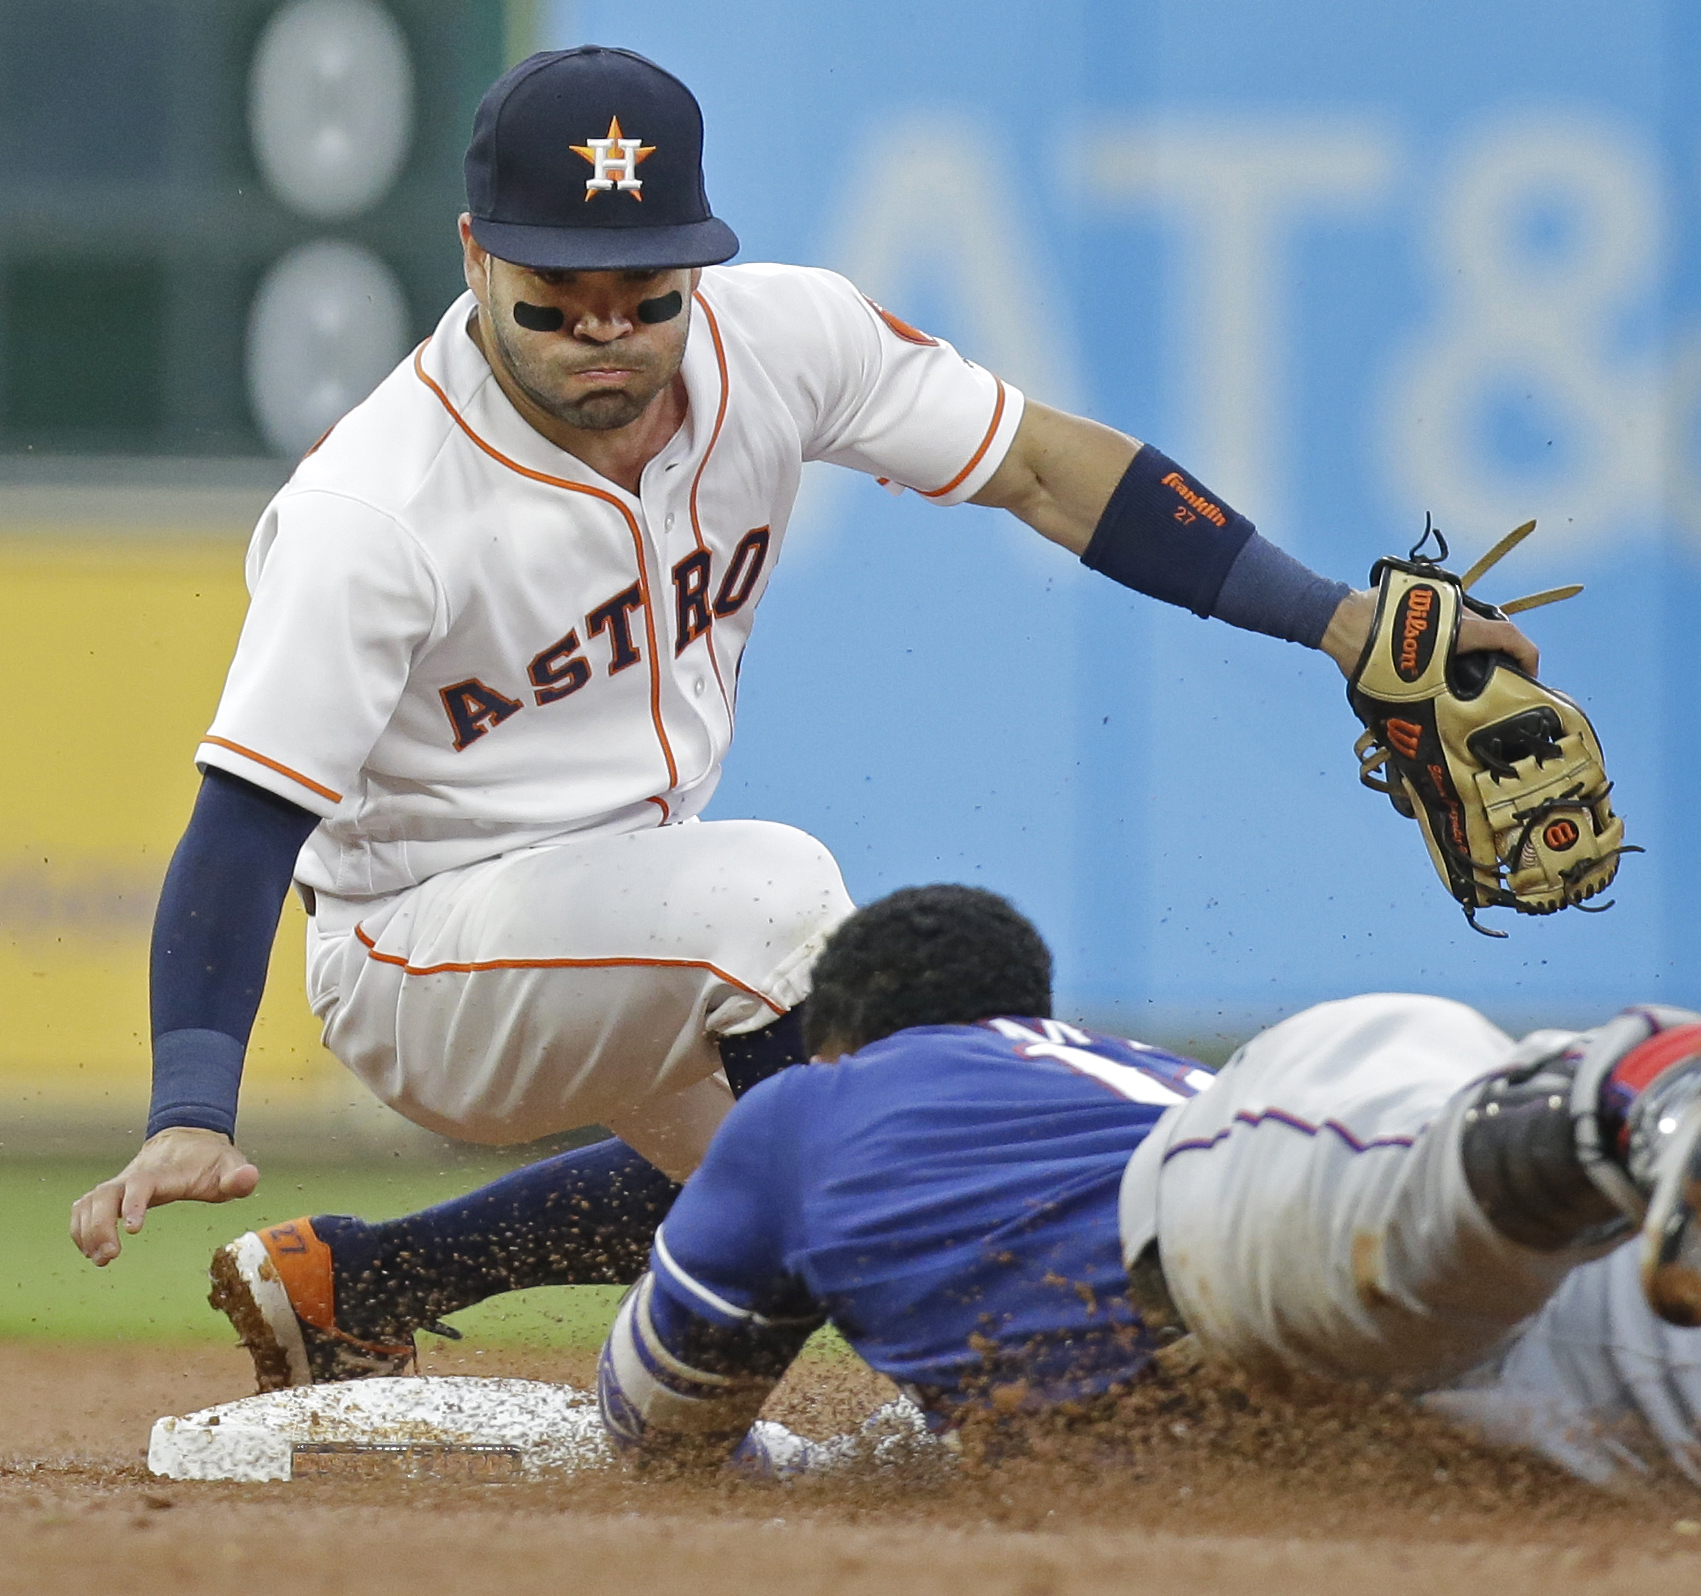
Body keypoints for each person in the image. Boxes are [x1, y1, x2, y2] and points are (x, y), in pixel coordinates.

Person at [67, 45, 1540, 1384]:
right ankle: (988, 1370)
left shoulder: (783, 341)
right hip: (419, 955)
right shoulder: (374, 507)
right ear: (474, 253)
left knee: (799, 1164)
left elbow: (1045, 469)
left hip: (632, 903)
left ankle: (355, 1285)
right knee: (783, 914)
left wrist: (1337, 621)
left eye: (646, 298)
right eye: (555, 301)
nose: (607, 339)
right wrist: (191, 1101)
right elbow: (247, 820)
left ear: (703, 260)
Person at [593, 883, 1701, 1507]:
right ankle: (1625, 1124)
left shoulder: (815, 1103)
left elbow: (655, 1428)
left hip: (1235, 1214)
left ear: (845, 1033)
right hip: (1513, 1314)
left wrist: (846, 1472)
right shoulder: (1111, 1069)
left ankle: (1641, 1087)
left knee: (1378, 1193)